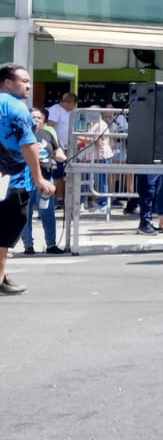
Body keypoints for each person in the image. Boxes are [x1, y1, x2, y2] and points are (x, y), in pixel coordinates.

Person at [1, 65, 55, 295]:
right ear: (7, 82)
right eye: (24, 81)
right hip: (13, 182)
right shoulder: (16, 108)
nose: (29, 86)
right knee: (6, 231)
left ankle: (2, 276)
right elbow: (28, 144)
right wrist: (39, 178)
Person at [23, 108, 66, 255]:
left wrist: (61, 156)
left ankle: (51, 244)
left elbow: (57, 150)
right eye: (33, 117)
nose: (36, 120)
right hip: (26, 179)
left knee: (47, 212)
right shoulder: (22, 133)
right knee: (25, 213)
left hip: (46, 179)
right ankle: (28, 245)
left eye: (39, 118)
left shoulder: (47, 134)